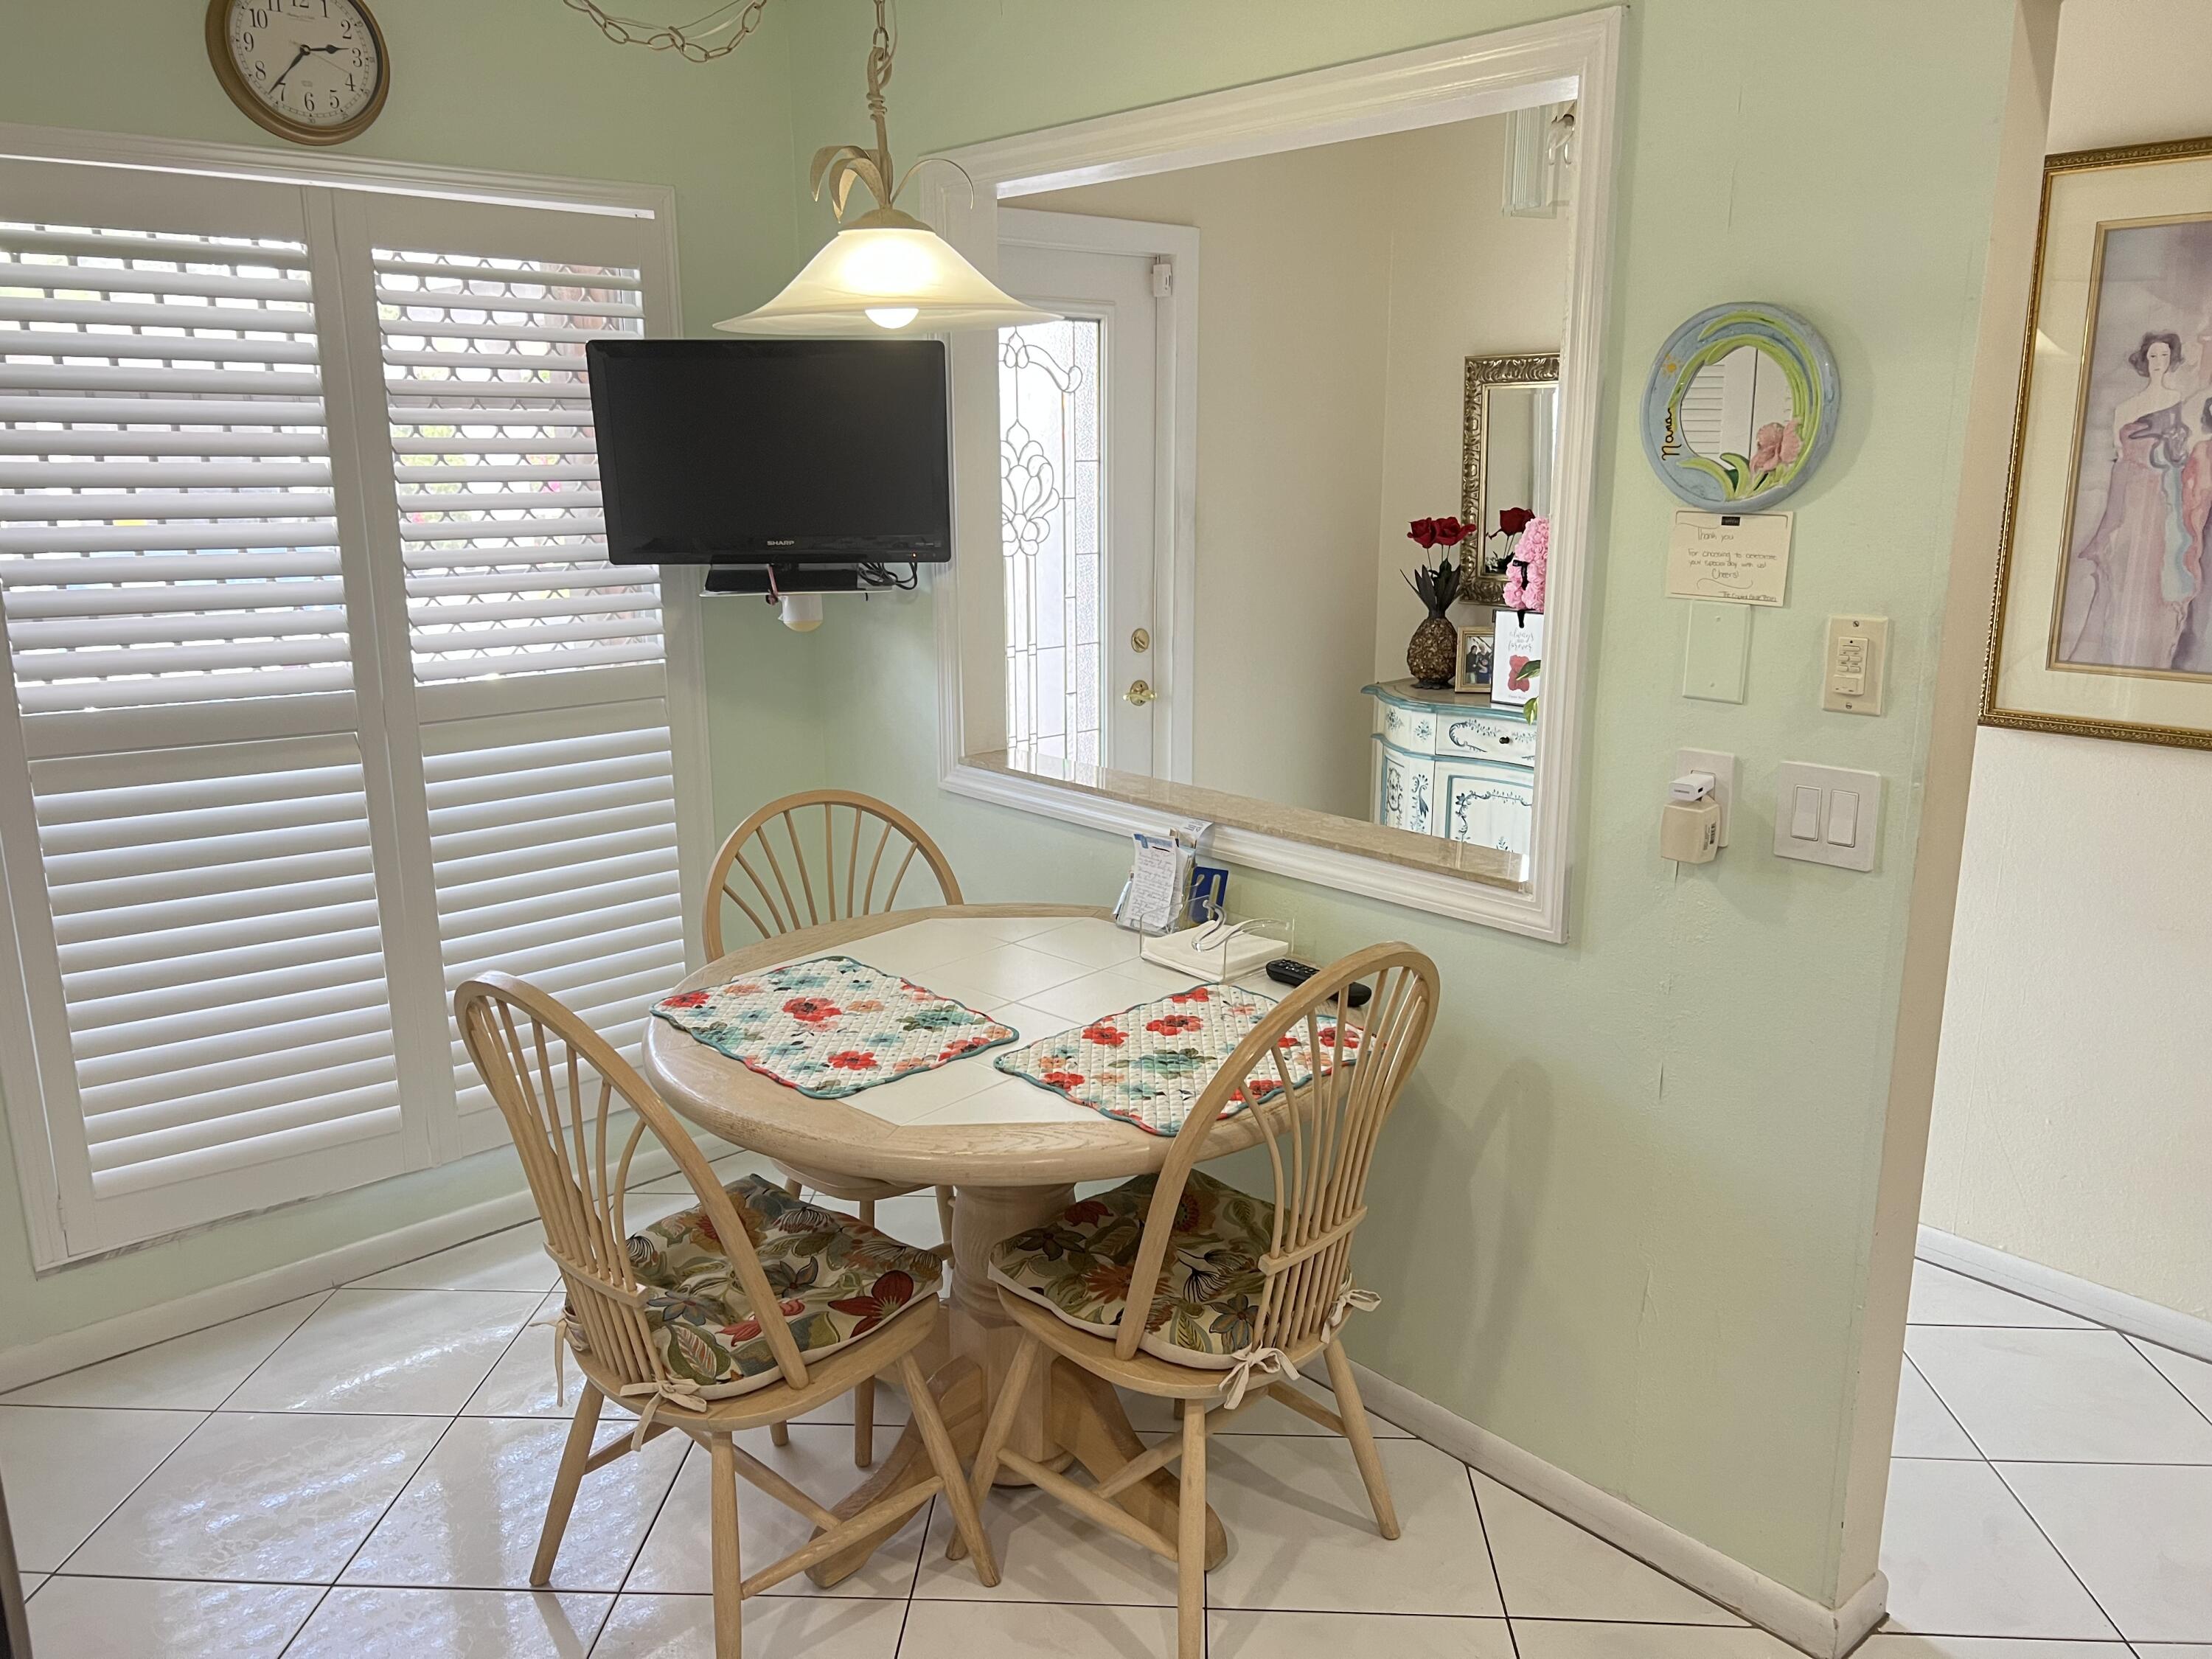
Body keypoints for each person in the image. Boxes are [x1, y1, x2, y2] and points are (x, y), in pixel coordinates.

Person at [2062, 327, 2208, 670]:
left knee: (2155, 573)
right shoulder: (2125, 407)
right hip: (2129, 496)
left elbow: (2180, 453)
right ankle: (2115, 654)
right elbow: (2119, 456)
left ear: (2172, 361)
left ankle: (2148, 657)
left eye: (2165, 356)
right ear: (2143, 360)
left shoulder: (2177, 402)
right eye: (2153, 356)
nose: (2158, 362)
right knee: (2120, 568)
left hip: (2161, 498)